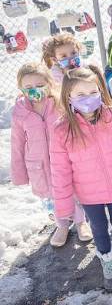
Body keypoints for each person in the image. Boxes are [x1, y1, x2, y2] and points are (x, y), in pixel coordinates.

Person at [49, 65, 112, 292]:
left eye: (92, 92)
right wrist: (64, 206)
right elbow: (60, 171)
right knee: (99, 229)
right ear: (68, 97)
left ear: (100, 91)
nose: (87, 98)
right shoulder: (63, 129)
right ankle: (107, 261)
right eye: (80, 94)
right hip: (89, 195)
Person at [11, 62, 91, 247]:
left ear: (49, 82)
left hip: (64, 160)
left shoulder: (60, 104)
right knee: (53, 196)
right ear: (21, 88)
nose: (34, 90)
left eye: (39, 85)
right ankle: (61, 225)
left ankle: (81, 222)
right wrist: (19, 173)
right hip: (39, 164)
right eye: (28, 87)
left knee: (72, 191)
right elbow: (17, 143)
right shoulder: (20, 111)